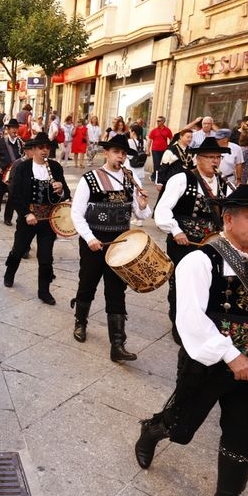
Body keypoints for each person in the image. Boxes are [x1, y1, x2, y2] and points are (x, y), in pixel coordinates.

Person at [135, 184, 248, 496]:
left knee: (241, 435)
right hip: (208, 362)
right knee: (180, 425)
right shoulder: (200, 259)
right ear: (228, 219)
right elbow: (190, 319)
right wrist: (231, 354)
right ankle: (153, 430)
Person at [70, 134, 151, 361]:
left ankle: (118, 344)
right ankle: (80, 321)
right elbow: (77, 213)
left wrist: (143, 205)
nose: (121, 157)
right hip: (95, 242)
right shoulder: (91, 178)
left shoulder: (130, 178)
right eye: (117, 152)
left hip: (121, 244)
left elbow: (141, 213)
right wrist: (89, 238)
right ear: (107, 153)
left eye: (124, 153)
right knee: (88, 283)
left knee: (116, 290)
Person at [154, 137, 232, 344]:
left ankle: (202, 322)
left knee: (209, 283)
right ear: (198, 159)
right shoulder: (182, 179)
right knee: (180, 284)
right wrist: (175, 230)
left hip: (211, 245)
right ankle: (178, 323)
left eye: (218, 157)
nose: (215, 161)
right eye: (211, 157)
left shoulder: (224, 183)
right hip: (184, 243)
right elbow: (162, 210)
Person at [2, 132, 70, 305]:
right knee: (19, 249)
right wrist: (26, 213)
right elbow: (14, 194)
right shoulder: (23, 167)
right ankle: (10, 273)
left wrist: (60, 189)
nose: (44, 150)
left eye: (47, 147)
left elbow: (66, 193)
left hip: (48, 220)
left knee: (46, 257)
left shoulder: (55, 167)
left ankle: (44, 291)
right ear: (32, 150)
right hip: (28, 218)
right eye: (40, 147)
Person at [0, 119, 23, 224]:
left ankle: (7, 218)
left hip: (13, 176)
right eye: (12, 128)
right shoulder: (0, 142)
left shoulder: (20, 143)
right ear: (7, 130)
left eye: (16, 128)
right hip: (1, 174)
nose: (15, 130)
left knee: (12, 197)